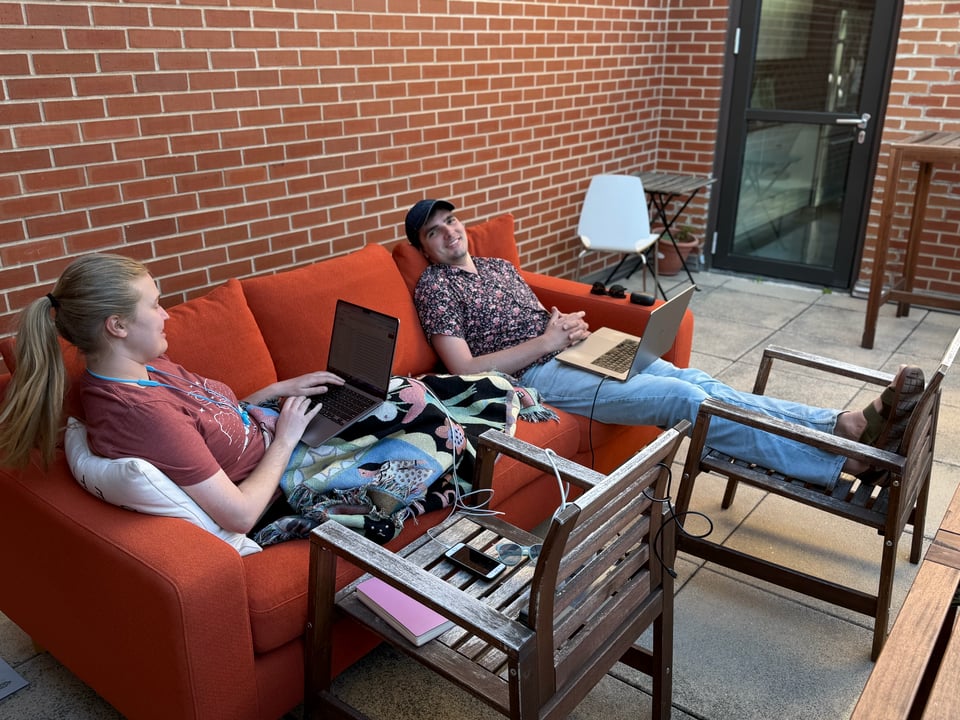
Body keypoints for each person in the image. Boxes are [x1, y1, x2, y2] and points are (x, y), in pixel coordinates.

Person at [403, 198, 925, 488]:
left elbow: (531, 315)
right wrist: (546, 341)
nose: (450, 232)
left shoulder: (497, 266)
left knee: (693, 379)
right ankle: (842, 463)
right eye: (434, 232)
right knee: (685, 402)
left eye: (452, 221)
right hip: (537, 376)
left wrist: (561, 322)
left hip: (574, 348)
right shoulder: (435, 287)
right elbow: (465, 367)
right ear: (424, 249)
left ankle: (843, 426)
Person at [0, 254, 337, 535]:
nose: (166, 315)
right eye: (155, 305)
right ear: (117, 326)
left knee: (379, 394)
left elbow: (210, 418)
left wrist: (278, 389)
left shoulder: (147, 366)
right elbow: (241, 515)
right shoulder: (143, 416)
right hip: (283, 479)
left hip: (280, 431)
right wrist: (285, 440)